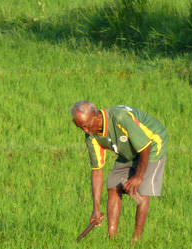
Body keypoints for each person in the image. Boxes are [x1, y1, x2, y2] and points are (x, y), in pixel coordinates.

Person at [71, 100, 168, 241]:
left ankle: (136, 241)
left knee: (141, 190)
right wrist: (96, 209)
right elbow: (97, 171)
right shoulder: (91, 136)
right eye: (81, 128)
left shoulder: (119, 118)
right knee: (113, 185)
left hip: (152, 143)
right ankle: (112, 240)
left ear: (96, 115)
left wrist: (138, 176)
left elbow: (145, 146)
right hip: (129, 149)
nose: (85, 130)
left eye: (86, 126)